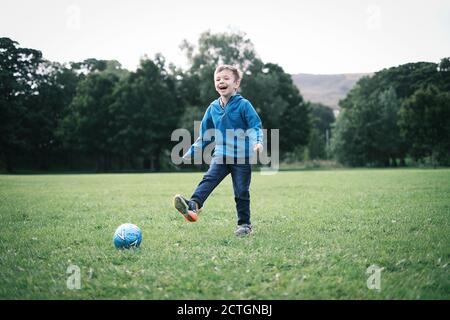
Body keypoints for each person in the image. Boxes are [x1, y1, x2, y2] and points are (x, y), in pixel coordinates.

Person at [174, 64, 263, 236]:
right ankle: (193, 205)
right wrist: (193, 151)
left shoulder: (244, 105)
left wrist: (257, 142)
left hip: (242, 157)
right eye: (217, 79)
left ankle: (244, 225)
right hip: (221, 155)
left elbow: (255, 126)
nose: (221, 81)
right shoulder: (213, 108)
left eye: (226, 78)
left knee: (241, 192)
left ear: (236, 84)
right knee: (208, 179)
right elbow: (205, 134)